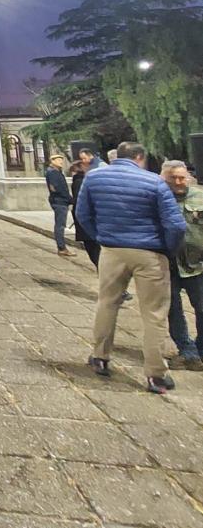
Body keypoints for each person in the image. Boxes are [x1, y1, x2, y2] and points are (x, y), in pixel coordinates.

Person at [76, 142, 187, 394]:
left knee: (107, 303)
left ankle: (100, 356)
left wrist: (102, 236)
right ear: (139, 158)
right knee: (154, 313)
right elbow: (176, 225)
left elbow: (83, 214)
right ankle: (156, 374)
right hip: (149, 251)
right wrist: (166, 249)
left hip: (112, 250)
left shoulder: (93, 178)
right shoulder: (153, 182)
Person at [161, 160, 203, 371]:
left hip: (197, 264)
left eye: (181, 177)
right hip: (167, 265)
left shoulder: (200, 196)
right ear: (164, 178)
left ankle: (201, 350)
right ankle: (187, 351)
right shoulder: (158, 197)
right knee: (174, 310)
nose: (178, 182)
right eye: (173, 178)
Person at [46, 154, 76, 257]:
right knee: (60, 225)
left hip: (60, 200)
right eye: (58, 160)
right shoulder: (52, 172)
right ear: (52, 161)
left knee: (60, 225)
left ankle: (62, 247)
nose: (61, 162)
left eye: (61, 160)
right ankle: (62, 248)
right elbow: (56, 188)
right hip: (59, 201)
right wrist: (69, 199)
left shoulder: (56, 172)